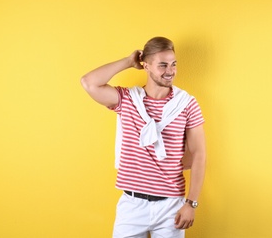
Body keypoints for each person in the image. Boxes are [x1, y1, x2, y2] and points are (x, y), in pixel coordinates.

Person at [80, 36, 206, 238]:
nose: (170, 71)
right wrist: (129, 62)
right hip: (132, 204)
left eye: (174, 64)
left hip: (171, 205)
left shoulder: (187, 104)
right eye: (162, 65)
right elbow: (89, 82)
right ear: (146, 66)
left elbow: (199, 154)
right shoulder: (127, 99)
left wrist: (191, 203)